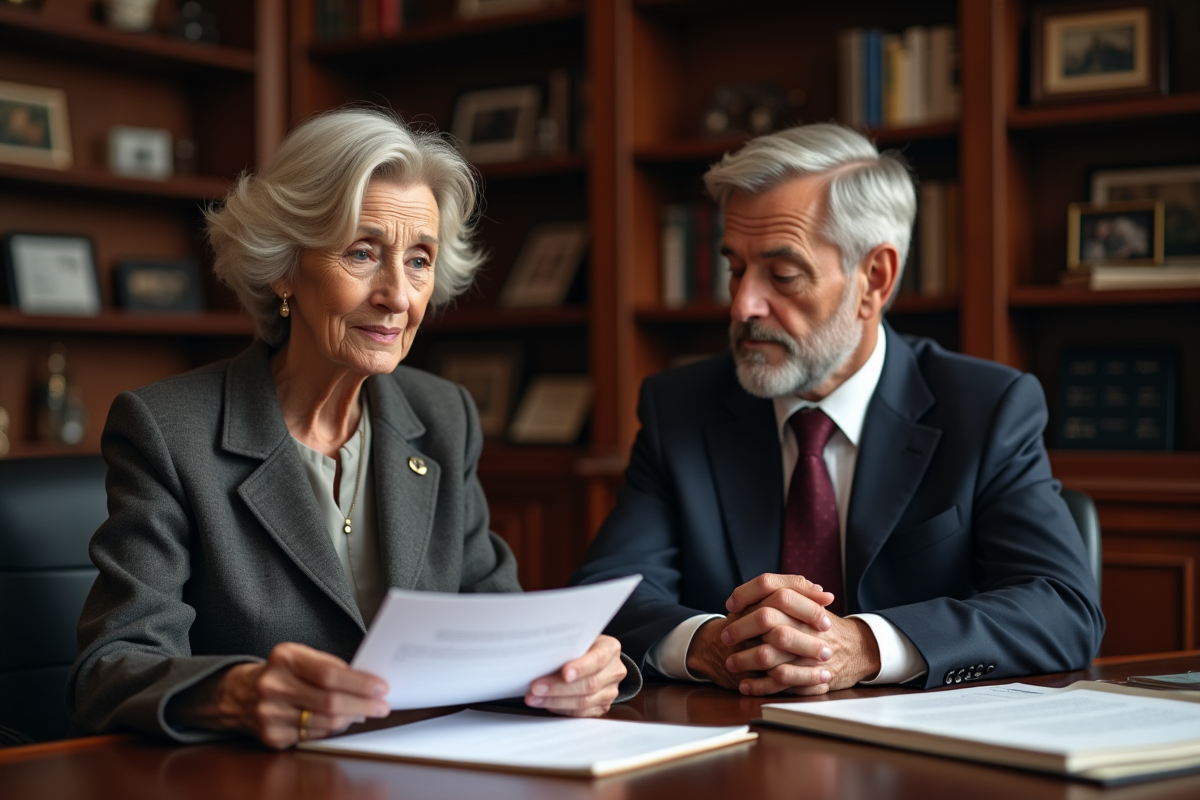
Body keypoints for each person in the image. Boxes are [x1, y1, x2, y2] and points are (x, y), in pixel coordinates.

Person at [67, 109, 633, 748]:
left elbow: (492, 618)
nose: (398, 294)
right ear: (284, 266)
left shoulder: (443, 416)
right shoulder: (170, 431)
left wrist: (570, 668)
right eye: (363, 252)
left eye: (419, 259)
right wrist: (238, 693)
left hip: (433, 770)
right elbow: (110, 669)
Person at [571, 123, 1104, 697]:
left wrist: (863, 646)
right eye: (735, 268)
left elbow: (1061, 608)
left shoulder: (986, 408)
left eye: (783, 274)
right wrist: (712, 644)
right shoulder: (679, 406)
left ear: (874, 278)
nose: (744, 304)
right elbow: (609, 593)